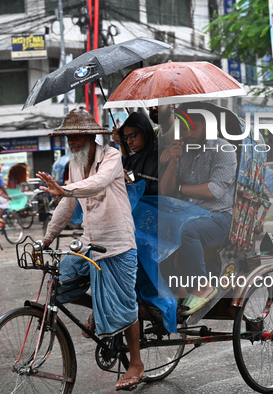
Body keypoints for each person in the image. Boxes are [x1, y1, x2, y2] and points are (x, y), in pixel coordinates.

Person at [38, 108, 144, 391]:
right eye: (68, 138)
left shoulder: (110, 156)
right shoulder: (75, 163)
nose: (72, 142)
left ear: (89, 136)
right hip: (88, 241)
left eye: (76, 137)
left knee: (124, 303)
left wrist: (66, 190)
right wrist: (46, 239)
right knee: (63, 284)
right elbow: (67, 203)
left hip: (117, 242)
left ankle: (135, 362)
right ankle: (98, 307)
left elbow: (97, 183)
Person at [160, 105, 237, 316]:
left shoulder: (224, 149)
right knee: (154, 233)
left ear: (205, 126)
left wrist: (180, 189)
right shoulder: (183, 150)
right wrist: (174, 161)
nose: (188, 134)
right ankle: (178, 290)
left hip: (220, 218)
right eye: (183, 129)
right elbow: (166, 192)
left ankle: (202, 285)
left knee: (187, 231)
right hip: (188, 216)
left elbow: (215, 189)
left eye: (193, 128)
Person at [114, 112, 158, 195]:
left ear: (145, 132)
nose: (129, 142)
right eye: (125, 138)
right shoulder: (130, 159)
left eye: (133, 135)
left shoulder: (162, 156)